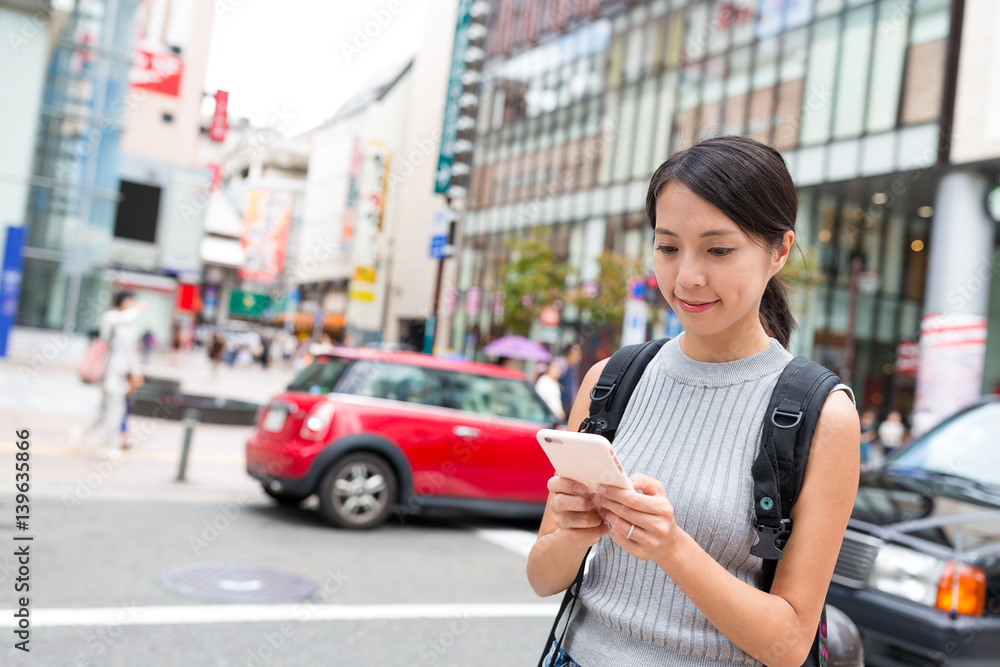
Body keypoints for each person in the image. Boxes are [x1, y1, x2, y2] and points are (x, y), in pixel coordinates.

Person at [527, 136, 860, 667]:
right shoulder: (610, 380)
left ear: (778, 251)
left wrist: (672, 547)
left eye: (719, 249)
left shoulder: (823, 416)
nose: (687, 277)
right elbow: (542, 577)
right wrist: (572, 533)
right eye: (668, 247)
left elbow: (791, 643)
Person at [99, 291, 147, 451]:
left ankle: (80, 433)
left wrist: (136, 373)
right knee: (117, 409)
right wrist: (138, 310)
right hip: (108, 372)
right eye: (129, 301)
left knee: (104, 410)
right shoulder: (111, 317)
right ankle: (106, 446)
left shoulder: (128, 327)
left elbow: (131, 352)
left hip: (121, 374)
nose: (132, 304)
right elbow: (124, 318)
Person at [558, 343, 582, 418]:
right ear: (568, 353)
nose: (579, 356)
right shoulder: (561, 364)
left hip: (569, 406)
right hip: (560, 406)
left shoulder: (574, 368)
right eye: (576, 353)